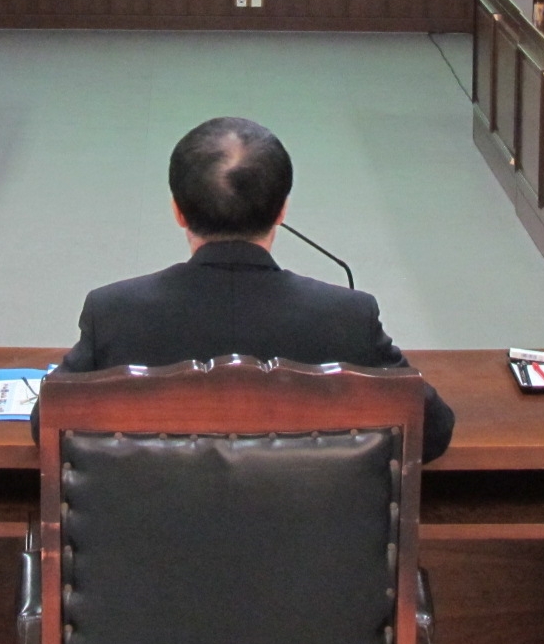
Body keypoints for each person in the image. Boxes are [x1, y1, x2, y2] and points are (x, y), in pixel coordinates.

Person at [38, 116, 456, 461]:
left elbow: (47, 425)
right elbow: (433, 432)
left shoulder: (114, 312)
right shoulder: (348, 317)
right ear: (281, 211)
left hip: (150, 537)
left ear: (178, 212)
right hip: (308, 537)